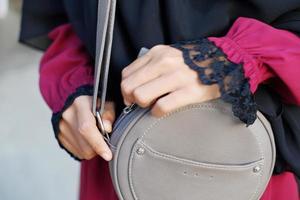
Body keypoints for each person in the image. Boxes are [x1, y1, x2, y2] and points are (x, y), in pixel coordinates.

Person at [20, 1, 300, 199]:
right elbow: (62, 16)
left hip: (244, 164)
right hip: (121, 161)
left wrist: (231, 59)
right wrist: (76, 88)